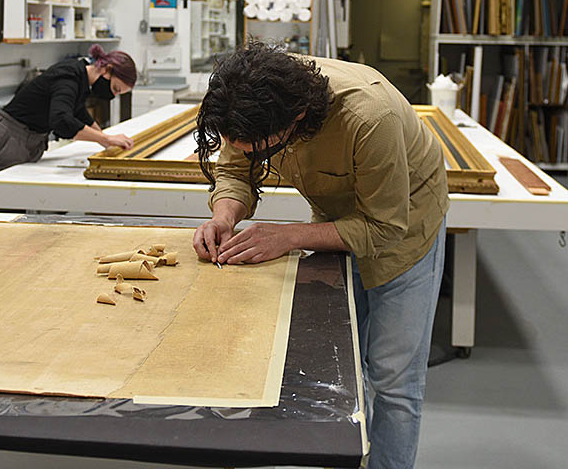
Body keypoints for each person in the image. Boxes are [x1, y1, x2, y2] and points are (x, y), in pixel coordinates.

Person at [191, 42, 448, 469]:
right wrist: (224, 216)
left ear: (294, 120)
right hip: (338, 221)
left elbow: (385, 226)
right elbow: (235, 170)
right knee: (341, 364)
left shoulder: (369, 117)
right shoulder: (249, 102)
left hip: (405, 230)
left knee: (393, 379)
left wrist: (290, 236)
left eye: (258, 147)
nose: (248, 151)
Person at [0, 45, 137, 181]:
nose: (113, 95)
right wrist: (106, 138)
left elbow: (78, 111)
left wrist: (105, 141)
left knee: (18, 210)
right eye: (115, 88)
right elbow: (61, 120)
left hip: (27, 141)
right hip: (4, 141)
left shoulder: (82, 79)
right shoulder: (68, 77)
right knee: (1, 212)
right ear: (106, 70)